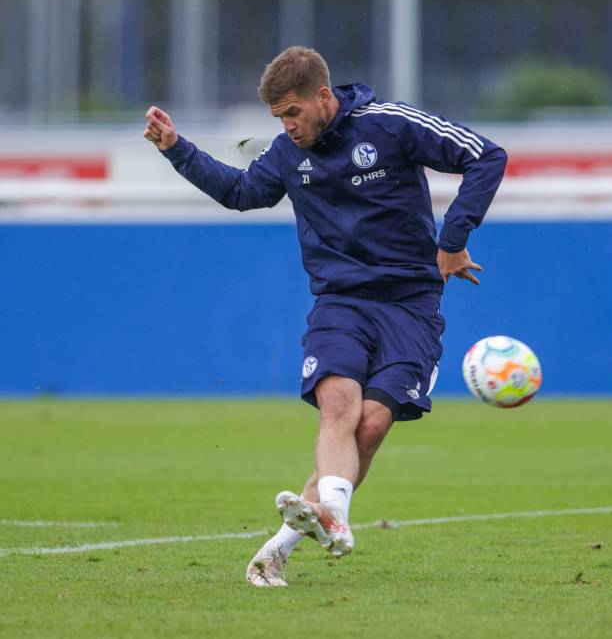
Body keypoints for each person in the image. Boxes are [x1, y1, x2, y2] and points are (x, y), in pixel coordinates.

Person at [142, 46, 507, 587]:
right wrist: (177, 149)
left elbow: (487, 155)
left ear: (322, 96)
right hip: (340, 302)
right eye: (278, 118)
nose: (287, 127)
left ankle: (278, 547)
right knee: (338, 403)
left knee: (373, 422)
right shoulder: (288, 155)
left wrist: (453, 241)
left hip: (411, 305)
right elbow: (242, 192)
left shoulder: (390, 125)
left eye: (293, 113)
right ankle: (335, 514)